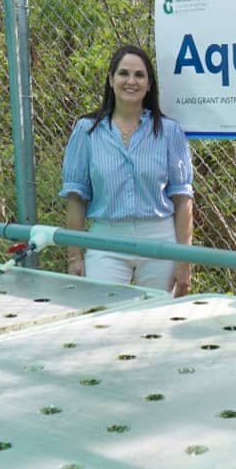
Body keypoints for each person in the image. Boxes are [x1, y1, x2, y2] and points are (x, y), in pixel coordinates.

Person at [60, 44, 195, 295]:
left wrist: (183, 260)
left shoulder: (169, 132)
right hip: (106, 240)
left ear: (150, 84)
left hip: (159, 240)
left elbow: (183, 200)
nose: (131, 81)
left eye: (139, 75)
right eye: (123, 73)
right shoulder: (87, 131)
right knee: (103, 317)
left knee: (157, 319)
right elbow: (76, 197)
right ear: (111, 79)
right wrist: (74, 256)